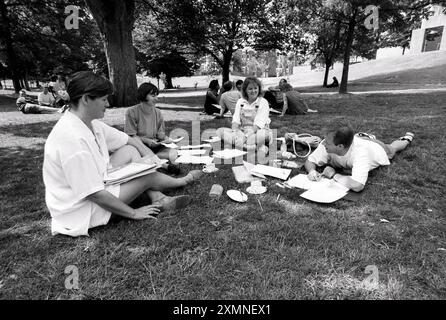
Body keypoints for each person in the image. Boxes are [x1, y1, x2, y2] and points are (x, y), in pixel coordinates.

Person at [43, 71, 202, 237]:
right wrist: (133, 213)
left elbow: (130, 140)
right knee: (145, 175)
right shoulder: (71, 138)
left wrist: (153, 159)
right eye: (103, 99)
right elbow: (94, 194)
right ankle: (183, 181)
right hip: (81, 209)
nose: (108, 104)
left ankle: (157, 196)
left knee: (131, 151)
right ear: (85, 99)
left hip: (100, 181)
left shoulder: (91, 124)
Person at [304, 126, 415, 192]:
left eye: (327, 143)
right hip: (356, 140)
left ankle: (407, 138)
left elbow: (357, 186)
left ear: (340, 146)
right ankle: (362, 136)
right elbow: (310, 161)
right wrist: (312, 171)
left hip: (375, 147)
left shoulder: (361, 153)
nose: (323, 144)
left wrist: (334, 175)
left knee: (392, 149)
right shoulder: (326, 144)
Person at [125, 83, 179, 169]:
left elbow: (160, 135)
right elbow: (131, 136)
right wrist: (147, 140)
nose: (156, 99)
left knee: (174, 152)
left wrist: (166, 139)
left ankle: (151, 158)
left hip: (155, 145)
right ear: (143, 95)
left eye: (156, 96)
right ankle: (154, 160)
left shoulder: (158, 112)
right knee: (133, 152)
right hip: (139, 145)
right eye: (153, 96)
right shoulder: (131, 112)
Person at [216, 77, 272, 154]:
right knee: (219, 131)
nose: (253, 91)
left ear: (259, 89)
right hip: (241, 132)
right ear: (245, 90)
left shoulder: (263, 102)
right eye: (250, 89)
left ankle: (240, 145)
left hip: (257, 132)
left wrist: (245, 137)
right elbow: (235, 120)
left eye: (255, 88)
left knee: (260, 136)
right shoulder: (240, 102)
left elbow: (259, 125)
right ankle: (254, 147)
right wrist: (235, 132)